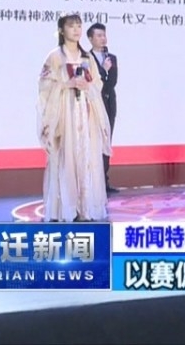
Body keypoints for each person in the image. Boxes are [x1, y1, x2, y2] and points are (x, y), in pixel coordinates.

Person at [37, 13, 111, 222]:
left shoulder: (87, 57)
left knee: (87, 159)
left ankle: (85, 208)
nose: (77, 30)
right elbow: (44, 85)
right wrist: (65, 85)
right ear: (62, 30)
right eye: (71, 26)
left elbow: (97, 83)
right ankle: (65, 210)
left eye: (79, 26)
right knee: (65, 159)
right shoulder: (55, 57)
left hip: (85, 115)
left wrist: (88, 86)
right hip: (64, 116)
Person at [87, 22, 119, 194]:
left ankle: (104, 182)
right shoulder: (86, 58)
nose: (102, 38)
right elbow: (91, 82)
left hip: (109, 102)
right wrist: (103, 71)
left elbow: (112, 82)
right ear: (90, 38)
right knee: (93, 142)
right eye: (98, 35)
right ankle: (92, 181)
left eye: (104, 35)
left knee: (106, 141)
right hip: (93, 104)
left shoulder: (111, 58)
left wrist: (107, 72)